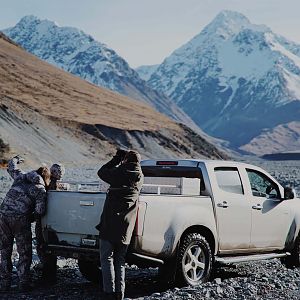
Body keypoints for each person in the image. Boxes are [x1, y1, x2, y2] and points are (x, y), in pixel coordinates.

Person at [96, 149, 144, 300]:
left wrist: (117, 159)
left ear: (125, 160)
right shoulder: (139, 177)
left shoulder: (118, 173)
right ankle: (119, 293)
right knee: (120, 260)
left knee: (106, 258)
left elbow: (102, 172)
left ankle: (109, 293)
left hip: (109, 224)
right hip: (126, 228)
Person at [0, 156, 49, 292]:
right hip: (20, 220)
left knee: (4, 251)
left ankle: (4, 284)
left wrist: (16, 159)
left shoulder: (21, 177)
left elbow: (11, 166)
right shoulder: (40, 189)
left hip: (3, 216)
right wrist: (31, 217)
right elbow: (40, 210)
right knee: (24, 253)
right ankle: (24, 283)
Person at [35, 163, 69, 283]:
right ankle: (50, 275)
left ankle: (48, 277)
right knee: (49, 248)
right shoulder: (59, 187)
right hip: (54, 222)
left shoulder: (47, 185)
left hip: (45, 222)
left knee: (44, 246)